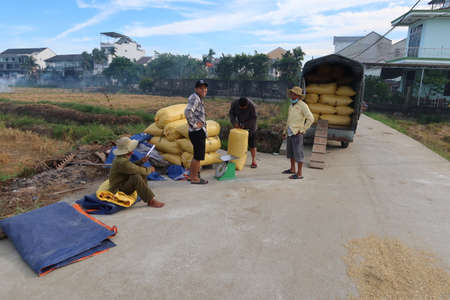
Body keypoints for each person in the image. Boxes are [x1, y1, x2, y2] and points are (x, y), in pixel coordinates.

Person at [109, 136, 165, 207]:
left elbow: (130, 167)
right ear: (129, 151)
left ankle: (146, 194)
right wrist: (150, 170)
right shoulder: (122, 162)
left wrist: (141, 161)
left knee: (140, 171)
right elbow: (136, 169)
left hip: (122, 184)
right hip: (117, 190)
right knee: (136, 176)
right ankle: (150, 200)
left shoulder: (121, 159)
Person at [282, 86, 314, 179]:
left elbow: (311, 118)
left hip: (297, 133)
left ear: (298, 96)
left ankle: (299, 174)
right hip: (290, 132)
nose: (291, 95)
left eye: (293, 94)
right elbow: (289, 120)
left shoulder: (303, 105)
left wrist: (303, 129)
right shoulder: (291, 105)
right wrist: (285, 131)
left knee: (298, 153)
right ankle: (292, 169)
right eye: (291, 93)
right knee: (291, 152)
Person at [185, 80, 208, 184]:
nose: (204, 90)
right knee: (198, 156)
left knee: (196, 155)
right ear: (196, 89)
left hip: (196, 131)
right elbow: (188, 112)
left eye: (205, 88)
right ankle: (194, 178)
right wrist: (195, 125)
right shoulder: (195, 98)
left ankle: (191, 176)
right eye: (201, 88)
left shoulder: (198, 98)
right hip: (197, 131)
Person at [229, 97, 258, 168]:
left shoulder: (252, 106)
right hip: (239, 124)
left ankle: (254, 161)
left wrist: (244, 125)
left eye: (244, 108)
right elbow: (231, 114)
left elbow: (254, 118)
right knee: (236, 143)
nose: (242, 109)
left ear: (247, 105)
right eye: (240, 108)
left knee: (252, 144)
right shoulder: (234, 103)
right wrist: (234, 123)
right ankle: (234, 159)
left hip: (251, 126)